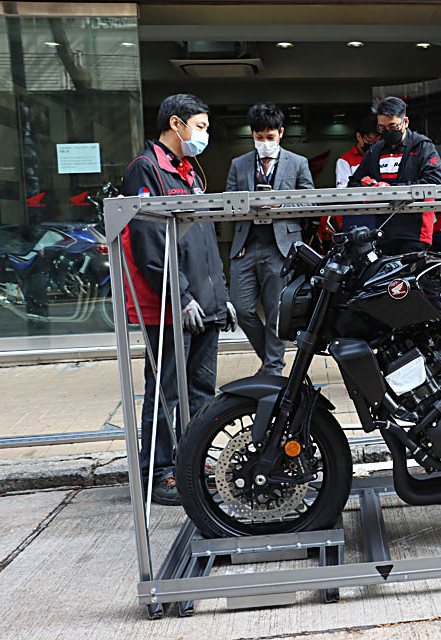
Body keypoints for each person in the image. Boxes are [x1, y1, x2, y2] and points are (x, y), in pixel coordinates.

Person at [121, 93, 235, 505]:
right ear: (176, 123)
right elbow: (150, 245)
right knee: (168, 390)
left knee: (201, 388)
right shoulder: (146, 170)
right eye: (200, 127)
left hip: (202, 304)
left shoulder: (189, 173)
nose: (204, 135)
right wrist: (181, 296)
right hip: (170, 305)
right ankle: (161, 472)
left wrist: (220, 297)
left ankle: (193, 459)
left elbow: (203, 241)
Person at [226, 103, 314, 377]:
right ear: (252, 135)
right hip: (246, 245)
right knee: (242, 308)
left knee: (277, 309)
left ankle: (273, 368)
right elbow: (228, 203)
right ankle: (269, 358)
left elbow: (309, 202)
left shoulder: (298, 162)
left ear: (281, 133)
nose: (265, 143)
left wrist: (281, 206)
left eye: (270, 137)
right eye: (259, 137)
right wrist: (247, 207)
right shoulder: (237, 164)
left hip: (281, 247)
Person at [347, 96, 441, 254]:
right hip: (383, 231)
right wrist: (372, 187)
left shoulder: (423, 147)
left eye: (393, 126)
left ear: (405, 122)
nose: (387, 131)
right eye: (382, 128)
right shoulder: (375, 151)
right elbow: (354, 184)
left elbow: (435, 182)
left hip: (415, 232)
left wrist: (391, 189)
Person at [321, 116, 380, 241]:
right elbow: (343, 192)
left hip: (380, 214)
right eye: (370, 142)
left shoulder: (382, 156)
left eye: (377, 142)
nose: (373, 146)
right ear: (359, 137)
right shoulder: (345, 161)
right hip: (355, 216)